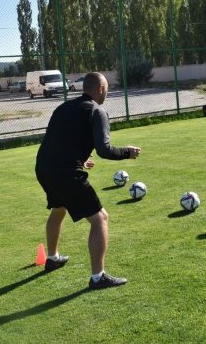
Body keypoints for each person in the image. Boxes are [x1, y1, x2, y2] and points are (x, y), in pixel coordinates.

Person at [35, 72, 141, 290]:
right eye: (107, 87)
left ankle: (52, 258)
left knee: (59, 208)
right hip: (65, 172)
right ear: (100, 89)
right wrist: (127, 153)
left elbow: (60, 140)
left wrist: (82, 159)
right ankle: (98, 277)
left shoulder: (64, 107)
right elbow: (105, 150)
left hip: (44, 168)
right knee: (100, 218)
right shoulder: (97, 110)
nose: (108, 91)